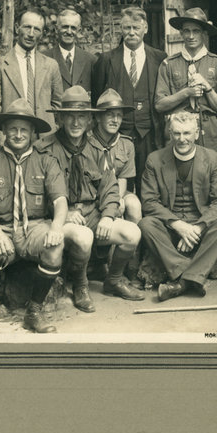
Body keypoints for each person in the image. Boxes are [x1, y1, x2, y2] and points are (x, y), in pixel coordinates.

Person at [35, 86, 144, 310]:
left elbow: (110, 188)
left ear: (89, 119)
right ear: (61, 118)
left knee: (132, 233)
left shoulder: (95, 148)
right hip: (55, 219)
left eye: (81, 117)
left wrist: (107, 215)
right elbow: (34, 193)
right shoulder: (44, 149)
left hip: (91, 213)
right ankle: (80, 284)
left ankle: (113, 280)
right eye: (70, 117)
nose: (76, 123)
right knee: (83, 238)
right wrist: (63, 214)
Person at [0, 98, 68, 333]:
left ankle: (34, 311)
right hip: (2, 226)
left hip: (34, 227)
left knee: (55, 247)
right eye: (13, 128)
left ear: (33, 132)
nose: (18, 134)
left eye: (24, 129)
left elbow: (60, 200)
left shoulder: (46, 161)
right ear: (3, 130)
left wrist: (56, 227)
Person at [139, 112, 217, 302]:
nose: (181, 139)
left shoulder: (212, 158)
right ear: (169, 133)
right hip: (171, 228)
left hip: (200, 228)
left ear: (197, 133)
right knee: (146, 224)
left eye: (186, 133)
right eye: (176, 133)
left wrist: (198, 228)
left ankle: (180, 282)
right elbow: (149, 201)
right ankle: (193, 275)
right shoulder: (155, 159)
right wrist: (178, 225)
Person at [91, 6, 167, 179]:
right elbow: (97, 99)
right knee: (118, 183)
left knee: (150, 181)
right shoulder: (106, 60)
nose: (131, 33)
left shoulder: (159, 58)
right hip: (116, 135)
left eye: (136, 28)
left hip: (149, 134)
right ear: (121, 29)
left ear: (145, 28)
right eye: (127, 28)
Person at [85, 88, 146, 299]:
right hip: (92, 195)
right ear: (99, 117)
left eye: (119, 115)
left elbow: (123, 179)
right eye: (110, 114)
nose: (115, 119)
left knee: (133, 205)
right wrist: (106, 206)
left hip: (118, 191)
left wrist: (118, 199)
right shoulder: (86, 142)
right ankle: (96, 263)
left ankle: (130, 267)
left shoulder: (126, 144)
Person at [155, 8, 217, 154]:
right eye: (186, 31)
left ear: (203, 34)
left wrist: (208, 88)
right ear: (181, 33)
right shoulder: (168, 64)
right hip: (179, 130)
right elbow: (159, 105)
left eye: (196, 31)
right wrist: (186, 93)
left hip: (208, 131)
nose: (190, 36)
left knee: (208, 169)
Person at [0, 10, 63, 130]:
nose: (31, 34)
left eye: (36, 29)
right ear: (17, 28)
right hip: (13, 140)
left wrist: (53, 136)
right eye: (27, 27)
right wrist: (4, 141)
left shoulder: (51, 65)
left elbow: (58, 108)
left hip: (46, 142)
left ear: (42, 34)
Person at [45, 8, 96, 94]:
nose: (69, 32)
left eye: (73, 28)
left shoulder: (91, 60)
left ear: (79, 30)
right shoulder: (45, 58)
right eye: (65, 27)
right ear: (57, 29)